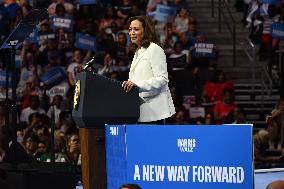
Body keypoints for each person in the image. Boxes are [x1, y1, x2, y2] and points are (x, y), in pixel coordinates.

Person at [122, 15, 175, 124]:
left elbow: (162, 79)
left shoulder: (155, 49)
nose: (132, 32)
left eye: (136, 29)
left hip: (154, 112)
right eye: (130, 29)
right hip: (140, 110)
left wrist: (137, 85)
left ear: (145, 31)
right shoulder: (138, 51)